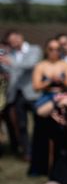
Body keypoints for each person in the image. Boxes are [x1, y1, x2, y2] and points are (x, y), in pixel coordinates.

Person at [30, 38, 67, 175]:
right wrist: (49, 82)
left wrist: (61, 81)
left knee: (62, 134)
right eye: (51, 49)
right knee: (41, 135)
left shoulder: (64, 65)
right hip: (45, 99)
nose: (54, 52)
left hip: (61, 98)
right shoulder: (41, 66)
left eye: (57, 49)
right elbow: (36, 86)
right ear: (46, 50)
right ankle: (40, 167)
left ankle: (61, 165)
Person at [0, 30, 42, 158]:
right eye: (11, 41)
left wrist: (11, 62)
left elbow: (30, 64)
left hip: (33, 92)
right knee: (21, 124)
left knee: (39, 123)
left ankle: (40, 150)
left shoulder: (34, 49)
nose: (14, 43)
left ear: (21, 37)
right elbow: (9, 70)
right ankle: (27, 152)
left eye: (15, 39)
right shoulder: (10, 54)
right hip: (17, 94)